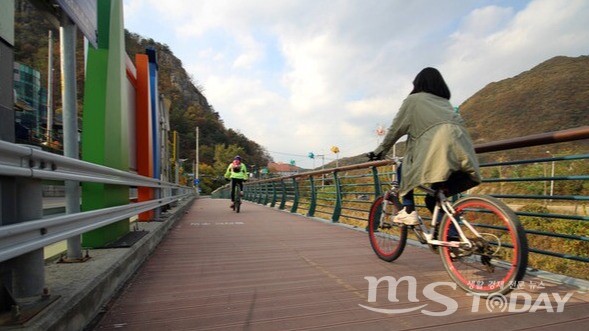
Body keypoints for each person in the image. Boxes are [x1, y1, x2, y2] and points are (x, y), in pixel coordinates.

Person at [370, 67, 481, 225]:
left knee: (403, 168)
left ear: (418, 84)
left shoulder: (413, 100)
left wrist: (379, 151)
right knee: (434, 198)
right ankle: (452, 238)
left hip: (439, 148)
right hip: (463, 151)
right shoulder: (445, 103)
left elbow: (395, 129)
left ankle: (408, 210)